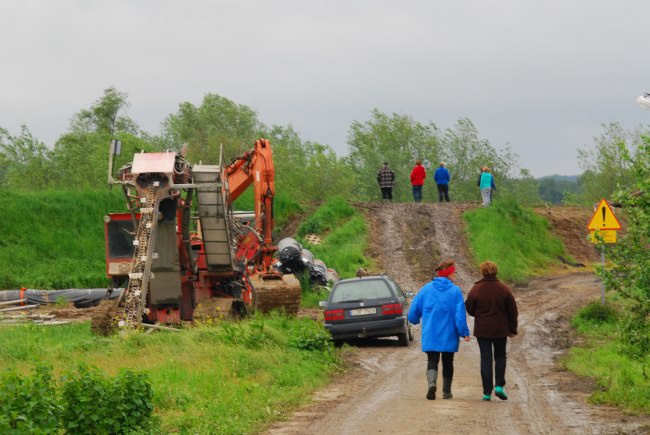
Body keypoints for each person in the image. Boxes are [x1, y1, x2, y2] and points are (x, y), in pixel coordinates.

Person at [408, 259, 470, 400]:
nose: (455, 275)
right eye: (454, 272)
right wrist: (464, 332)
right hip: (449, 332)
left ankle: (431, 384)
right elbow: (459, 315)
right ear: (448, 274)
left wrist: (414, 320)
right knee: (448, 361)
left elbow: (413, 311)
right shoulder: (455, 291)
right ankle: (446, 392)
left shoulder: (426, 289)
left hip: (431, 331)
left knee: (432, 359)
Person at [465, 261, 518, 401]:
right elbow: (513, 311)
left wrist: (478, 315)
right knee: (500, 356)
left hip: (483, 330)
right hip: (501, 329)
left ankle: (487, 392)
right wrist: (512, 328)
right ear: (496, 271)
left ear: (482, 272)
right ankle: (499, 385)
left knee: (486, 358)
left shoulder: (476, 289)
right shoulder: (504, 289)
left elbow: (469, 307)